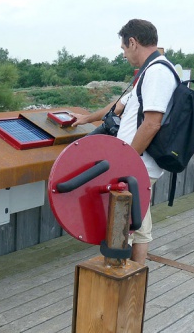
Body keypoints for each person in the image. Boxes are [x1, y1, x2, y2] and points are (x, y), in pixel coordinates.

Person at [72, 19, 178, 265]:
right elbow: (118, 106)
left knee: (121, 229)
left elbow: (152, 123)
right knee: (140, 227)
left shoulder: (158, 73)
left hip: (136, 165)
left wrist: (125, 162)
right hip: (136, 164)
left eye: (123, 48)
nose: (124, 54)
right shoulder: (148, 72)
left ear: (133, 42)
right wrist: (85, 118)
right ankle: (134, 285)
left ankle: (122, 289)